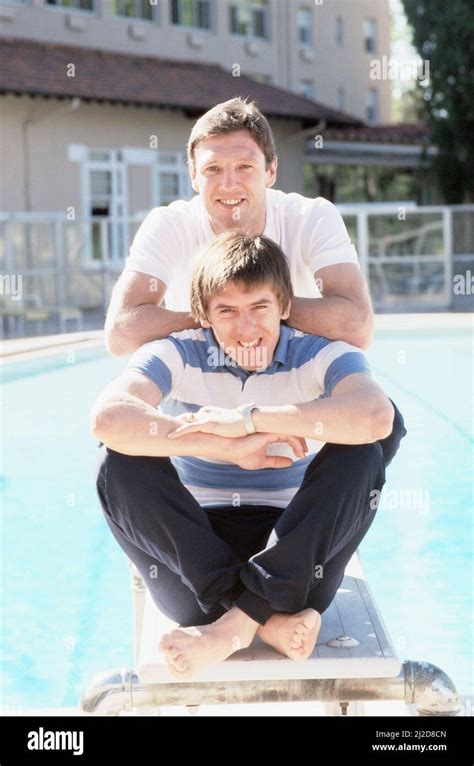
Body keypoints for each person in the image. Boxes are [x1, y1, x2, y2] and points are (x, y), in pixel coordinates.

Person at [91, 230, 406, 680]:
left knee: (368, 448)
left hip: (296, 559)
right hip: (195, 568)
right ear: (202, 316)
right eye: (227, 311)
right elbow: (107, 418)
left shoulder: (319, 353)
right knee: (116, 461)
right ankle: (265, 619)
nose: (246, 328)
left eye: (260, 307)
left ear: (285, 306)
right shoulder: (178, 353)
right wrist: (224, 446)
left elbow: (378, 416)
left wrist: (251, 420)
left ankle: (234, 627)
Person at [104, 97, 374, 357]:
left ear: (271, 171)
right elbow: (120, 333)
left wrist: (251, 309)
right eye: (213, 169)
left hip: (296, 397)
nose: (228, 184)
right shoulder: (169, 225)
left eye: (244, 166)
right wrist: (216, 314)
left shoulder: (311, 218)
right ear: (194, 176)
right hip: (198, 399)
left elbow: (358, 326)